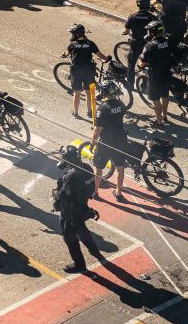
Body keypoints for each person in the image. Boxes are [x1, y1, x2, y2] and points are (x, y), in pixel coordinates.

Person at [53, 145, 102, 273]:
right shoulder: (87, 167)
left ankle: (79, 264)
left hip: (71, 212)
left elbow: (62, 195)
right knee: (82, 230)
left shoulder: (70, 176)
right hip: (83, 206)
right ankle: (95, 251)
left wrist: (57, 191)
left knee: (69, 237)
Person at [90, 82, 137, 200]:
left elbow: (97, 130)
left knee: (98, 168)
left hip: (106, 143)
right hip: (120, 140)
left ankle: (95, 192)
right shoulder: (121, 104)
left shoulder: (102, 109)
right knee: (120, 167)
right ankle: (119, 193)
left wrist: (93, 143)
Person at [65, 24, 110, 119]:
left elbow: (67, 53)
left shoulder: (72, 44)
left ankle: (75, 112)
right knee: (89, 93)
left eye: (73, 34)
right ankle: (89, 112)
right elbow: (100, 55)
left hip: (76, 71)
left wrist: (64, 54)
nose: (72, 36)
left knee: (76, 93)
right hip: (89, 71)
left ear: (77, 35)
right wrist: (107, 59)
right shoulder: (90, 43)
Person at [139, 21, 173, 129]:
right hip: (167, 73)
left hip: (155, 76)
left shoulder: (150, 46)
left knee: (155, 99)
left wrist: (140, 64)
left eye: (149, 31)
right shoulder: (168, 41)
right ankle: (165, 115)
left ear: (153, 32)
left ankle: (159, 122)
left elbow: (142, 63)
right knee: (165, 95)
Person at [122, 0, 157, 88]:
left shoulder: (132, 16)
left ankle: (130, 84)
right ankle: (144, 84)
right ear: (147, 5)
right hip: (148, 44)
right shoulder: (152, 17)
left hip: (136, 43)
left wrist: (125, 32)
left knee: (131, 63)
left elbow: (126, 29)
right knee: (147, 64)